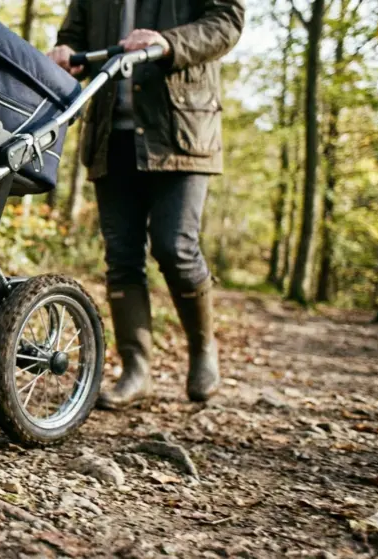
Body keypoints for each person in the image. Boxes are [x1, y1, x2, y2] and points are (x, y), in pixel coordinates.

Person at [48, 0, 244, 408]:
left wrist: (169, 42)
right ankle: (136, 370)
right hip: (110, 137)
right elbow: (74, 35)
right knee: (122, 258)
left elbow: (227, 21)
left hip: (181, 132)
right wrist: (65, 53)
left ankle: (203, 348)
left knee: (176, 247)